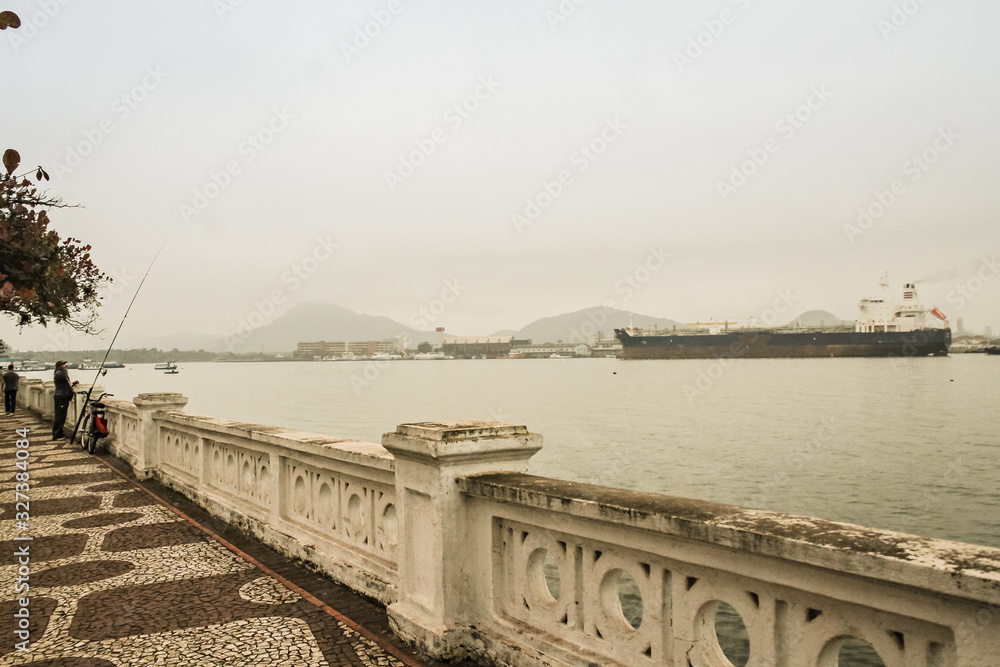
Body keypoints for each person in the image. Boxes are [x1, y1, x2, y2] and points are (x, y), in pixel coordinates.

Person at [52, 361, 78, 440]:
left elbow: (65, 384)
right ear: (59, 366)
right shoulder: (59, 373)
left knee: (62, 416)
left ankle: (60, 433)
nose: (65, 366)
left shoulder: (61, 373)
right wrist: (65, 369)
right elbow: (64, 380)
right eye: (64, 365)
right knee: (60, 416)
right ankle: (56, 434)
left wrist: (73, 384)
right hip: (61, 397)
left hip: (63, 396)